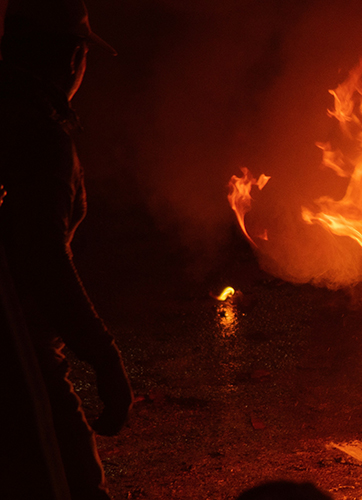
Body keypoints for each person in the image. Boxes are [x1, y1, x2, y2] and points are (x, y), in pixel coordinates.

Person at [0, 1, 131, 498]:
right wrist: (104, 356)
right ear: (74, 56)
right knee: (72, 481)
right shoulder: (36, 132)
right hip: (15, 353)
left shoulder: (19, 110)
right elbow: (42, 258)